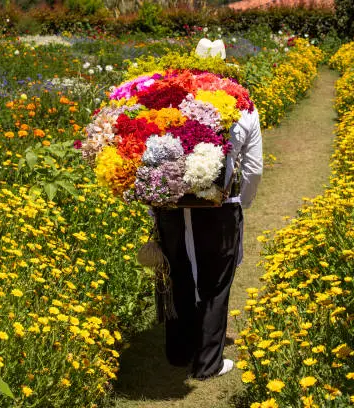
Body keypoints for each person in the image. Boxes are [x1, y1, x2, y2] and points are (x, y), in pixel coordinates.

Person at [154, 38, 263, 380]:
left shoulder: (169, 99)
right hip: (218, 208)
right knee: (216, 281)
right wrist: (239, 202)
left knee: (176, 270)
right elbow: (254, 168)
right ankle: (208, 363)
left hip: (170, 205)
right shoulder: (242, 105)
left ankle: (179, 351)